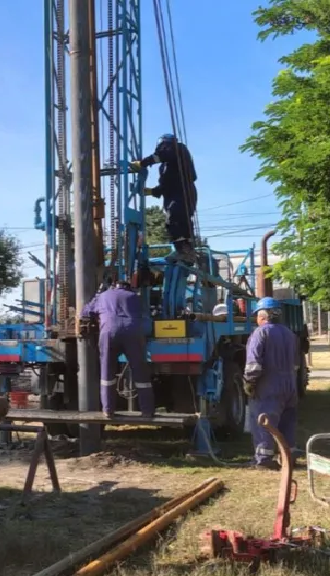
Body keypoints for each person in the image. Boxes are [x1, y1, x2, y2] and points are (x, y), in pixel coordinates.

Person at [81, 281, 154, 418]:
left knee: (107, 370)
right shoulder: (135, 297)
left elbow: (85, 312)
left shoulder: (103, 296)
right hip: (133, 332)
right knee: (140, 371)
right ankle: (147, 410)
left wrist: (97, 297)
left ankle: (108, 410)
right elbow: (146, 318)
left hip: (109, 332)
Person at [243, 297, 300, 471]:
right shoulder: (289, 334)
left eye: (257, 316)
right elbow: (296, 363)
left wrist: (249, 382)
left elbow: (253, 364)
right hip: (289, 385)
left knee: (263, 421)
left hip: (268, 386)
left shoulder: (261, 333)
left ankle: (264, 458)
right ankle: (289, 457)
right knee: (286, 423)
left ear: (263, 316)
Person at [130, 133, 198, 261]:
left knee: (176, 216)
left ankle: (186, 251)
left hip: (183, 191)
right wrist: (153, 191)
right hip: (173, 193)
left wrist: (143, 163)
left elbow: (163, 155)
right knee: (171, 221)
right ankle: (181, 250)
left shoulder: (179, 149)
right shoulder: (166, 166)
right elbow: (166, 184)